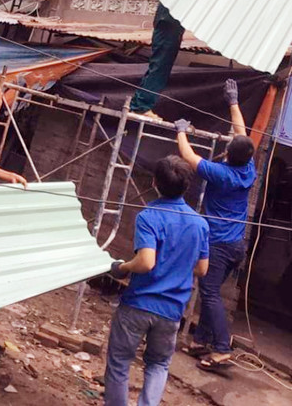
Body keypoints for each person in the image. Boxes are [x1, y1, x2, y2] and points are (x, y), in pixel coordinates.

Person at [105, 155, 209, 406]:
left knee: (119, 362)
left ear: (154, 183)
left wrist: (123, 267)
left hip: (138, 304)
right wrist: (177, 267)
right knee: (159, 365)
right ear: (187, 186)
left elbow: (146, 262)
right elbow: (202, 269)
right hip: (172, 310)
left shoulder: (149, 216)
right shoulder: (200, 224)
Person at [174, 79, 257, 372]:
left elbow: (188, 156)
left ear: (228, 155)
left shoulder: (221, 173)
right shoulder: (247, 168)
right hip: (236, 246)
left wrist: (181, 130)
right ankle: (201, 341)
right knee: (212, 293)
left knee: (208, 293)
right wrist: (233, 101)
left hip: (219, 245)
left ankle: (222, 348)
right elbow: (241, 133)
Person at [130, 0, 209, 119]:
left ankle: (141, 104)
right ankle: (140, 106)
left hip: (171, 20)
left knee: (161, 64)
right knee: (161, 65)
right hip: (169, 20)